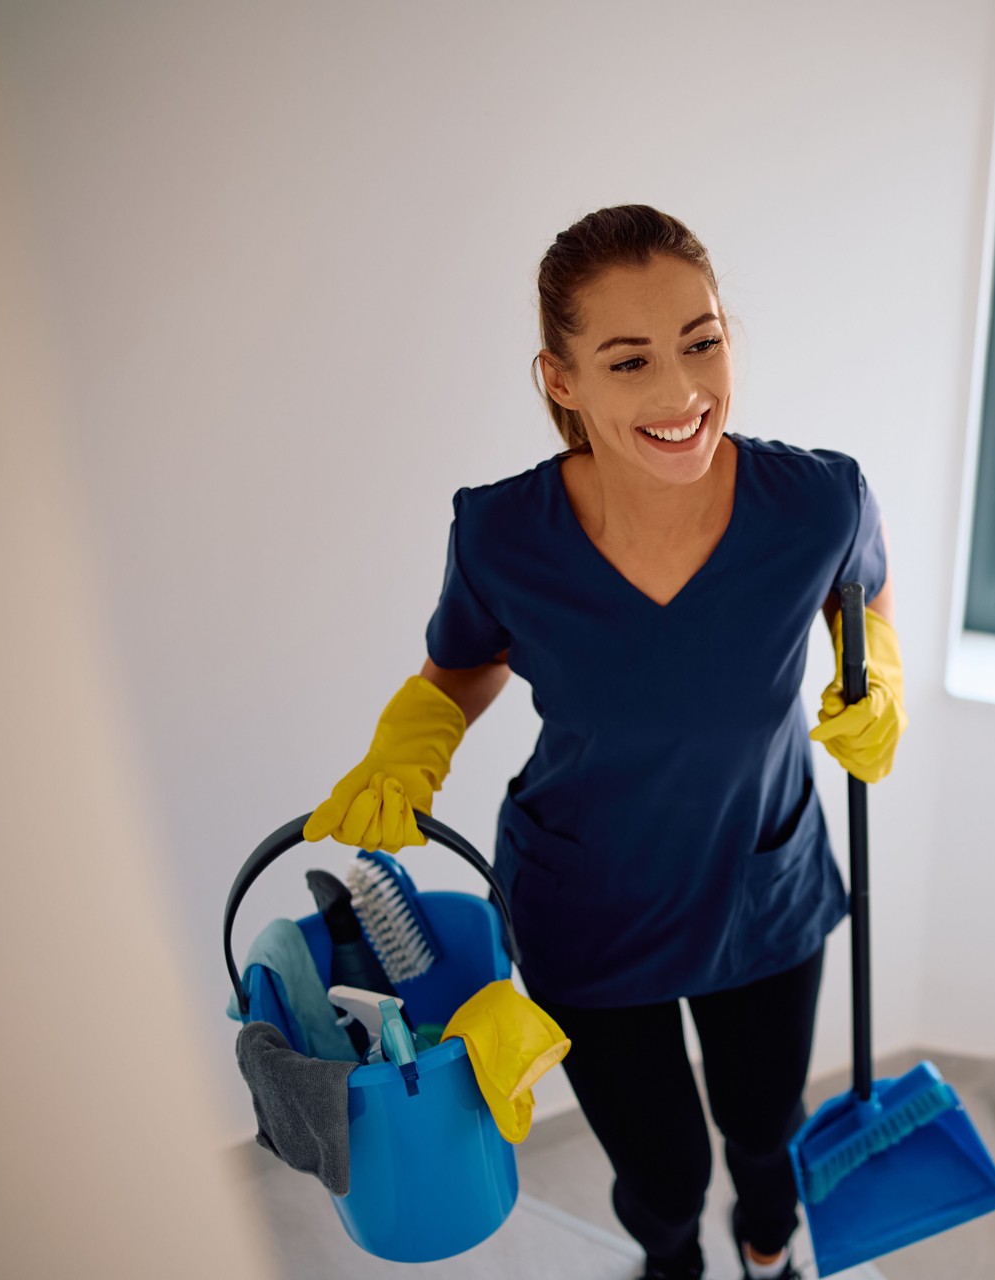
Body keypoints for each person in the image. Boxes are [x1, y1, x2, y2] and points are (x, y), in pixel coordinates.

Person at [303, 205, 907, 1280]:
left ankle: (769, 1250)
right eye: (629, 360)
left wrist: (882, 672)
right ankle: (670, 1265)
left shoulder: (817, 501)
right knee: (664, 1172)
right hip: (588, 904)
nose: (681, 394)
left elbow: (861, 595)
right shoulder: (502, 532)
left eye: (703, 340)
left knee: (764, 1131)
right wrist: (414, 745)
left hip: (760, 885)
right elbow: (461, 664)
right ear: (562, 378)